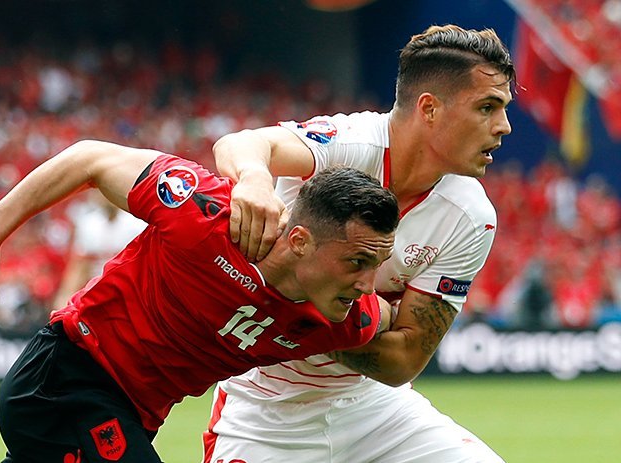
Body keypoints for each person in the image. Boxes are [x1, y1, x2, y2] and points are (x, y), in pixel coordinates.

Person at [0, 139, 399, 463]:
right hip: (66, 378)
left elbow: (396, 323)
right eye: (357, 262)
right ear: (299, 241)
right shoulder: (205, 215)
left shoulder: (343, 320)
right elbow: (89, 158)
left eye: (376, 265)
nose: (366, 283)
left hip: (131, 417)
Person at [205, 24, 514, 462]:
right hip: (266, 405)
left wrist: (293, 308)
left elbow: (403, 360)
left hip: (376, 410)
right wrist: (254, 178)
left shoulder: (471, 216)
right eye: (487, 107)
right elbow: (243, 144)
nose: (503, 127)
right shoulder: (349, 144)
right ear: (429, 108)